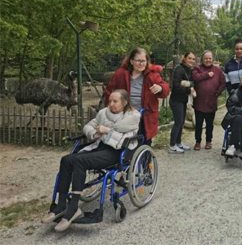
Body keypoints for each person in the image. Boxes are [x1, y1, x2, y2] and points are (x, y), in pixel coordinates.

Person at [42, 89, 140, 232]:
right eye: (110, 101)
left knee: (79, 161)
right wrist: (94, 133)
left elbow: (122, 136)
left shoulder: (132, 117)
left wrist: (105, 131)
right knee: (67, 159)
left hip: (115, 152)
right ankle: (61, 205)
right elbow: (88, 126)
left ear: (124, 103)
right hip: (98, 147)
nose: (111, 104)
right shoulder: (103, 113)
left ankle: (74, 208)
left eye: (115, 101)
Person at [104, 48, 170, 142]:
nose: (141, 63)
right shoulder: (121, 74)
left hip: (145, 116)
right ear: (131, 61)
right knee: (124, 141)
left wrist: (160, 88)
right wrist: (111, 107)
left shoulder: (152, 75)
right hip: (124, 114)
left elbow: (165, 88)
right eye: (138, 61)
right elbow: (109, 92)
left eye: (143, 61)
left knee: (144, 140)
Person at [192, 50, 225, 150]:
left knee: (210, 124)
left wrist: (217, 93)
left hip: (211, 102)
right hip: (199, 102)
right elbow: (195, 78)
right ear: (202, 59)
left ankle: (208, 141)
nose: (208, 60)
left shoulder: (218, 70)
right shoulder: (197, 68)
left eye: (210, 58)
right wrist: (206, 74)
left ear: (212, 59)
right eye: (206, 58)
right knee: (198, 124)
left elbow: (223, 83)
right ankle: (197, 142)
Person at [169, 52, 196, 153]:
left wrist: (186, 83)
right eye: (189, 58)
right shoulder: (179, 69)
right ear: (184, 58)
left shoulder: (189, 70)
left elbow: (193, 83)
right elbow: (176, 86)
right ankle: (172, 145)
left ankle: (179, 142)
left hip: (183, 100)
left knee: (181, 123)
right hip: (176, 100)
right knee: (178, 122)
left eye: (193, 59)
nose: (192, 61)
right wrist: (189, 89)